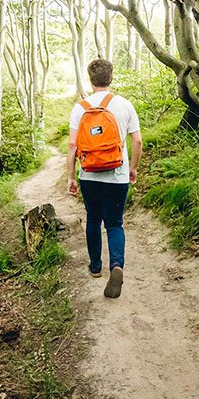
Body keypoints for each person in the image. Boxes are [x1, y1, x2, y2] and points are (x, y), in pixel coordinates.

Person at [67, 59, 142, 299]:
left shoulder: (80, 108)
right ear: (111, 78)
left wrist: (71, 177)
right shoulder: (125, 105)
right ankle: (116, 265)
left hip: (89, 175)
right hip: (117, 175)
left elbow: (72, 145)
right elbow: (137, 141)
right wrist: (132, 167)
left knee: (93, 219)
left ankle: (96, 267)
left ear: (91, 80)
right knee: (115, 223)